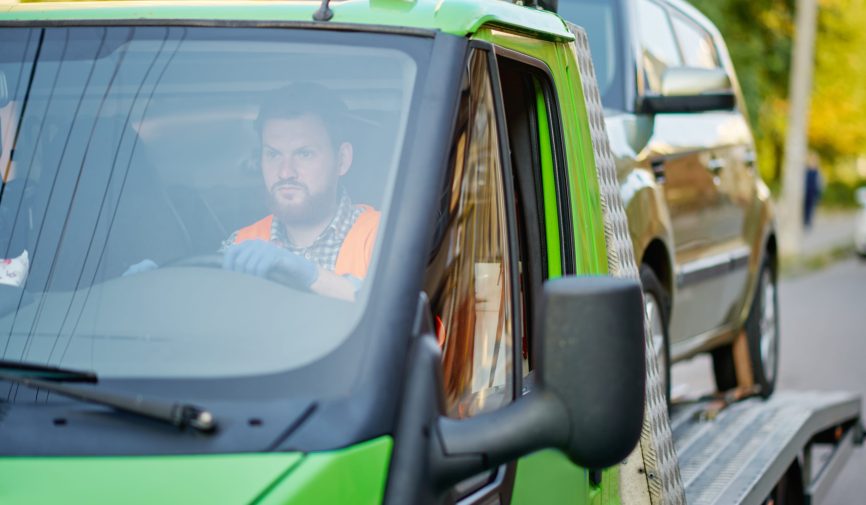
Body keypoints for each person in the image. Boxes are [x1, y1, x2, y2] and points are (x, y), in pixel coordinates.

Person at [128, 83, 379, 301]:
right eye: (273, 154)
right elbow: (207, 310)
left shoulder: (381, 234)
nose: (285, 172)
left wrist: (308, 274)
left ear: (343, 160)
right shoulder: (241, 242)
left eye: (304, 154)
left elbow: (393, 309)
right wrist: (160, 291)